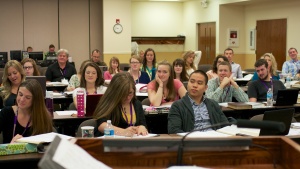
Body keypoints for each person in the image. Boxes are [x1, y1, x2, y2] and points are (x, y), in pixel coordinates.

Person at [93, 72, 148, 137]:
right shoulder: (108, 103)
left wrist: (142, 128)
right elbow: (101, 125)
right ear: (116, 92)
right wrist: (123, 132)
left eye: (130, 93)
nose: (128, 97)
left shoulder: (137, 104)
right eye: (123, 94)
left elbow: (143, 124)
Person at [0, 79, 53, 143]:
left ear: (35, 100)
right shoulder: (6, 113)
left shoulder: (43, 117)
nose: (22, 99)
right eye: (20, 94)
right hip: (8, 152)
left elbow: (48, 144)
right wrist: (10, 146)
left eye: (27, 97)